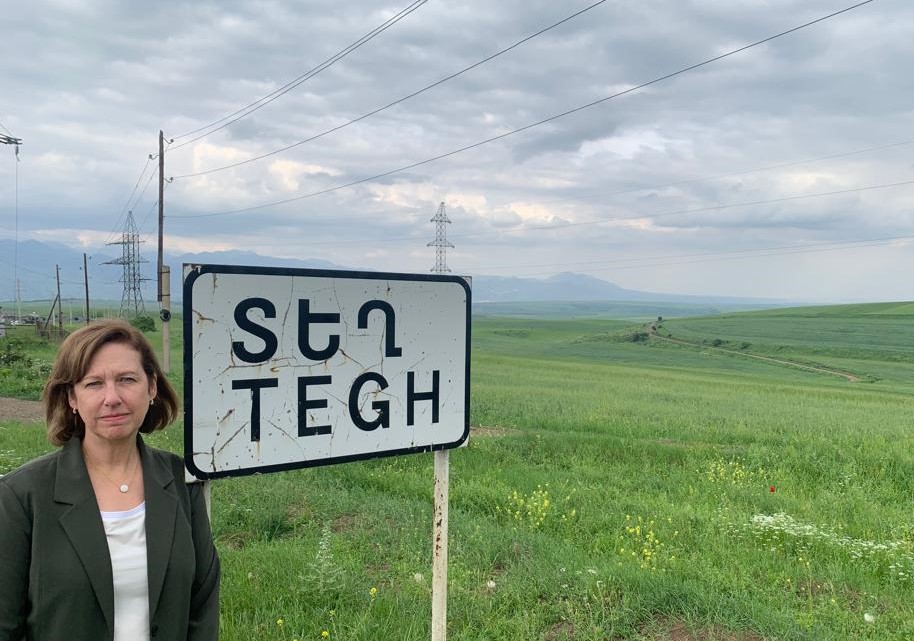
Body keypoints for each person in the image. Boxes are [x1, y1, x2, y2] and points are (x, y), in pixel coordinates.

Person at [0, 319, 220, 641]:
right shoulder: (21, 496)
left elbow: (202, 608)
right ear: (72, 398)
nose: (112, 397)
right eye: (93, 384)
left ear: (152, 386)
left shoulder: (183, 481)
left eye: (126, 379)